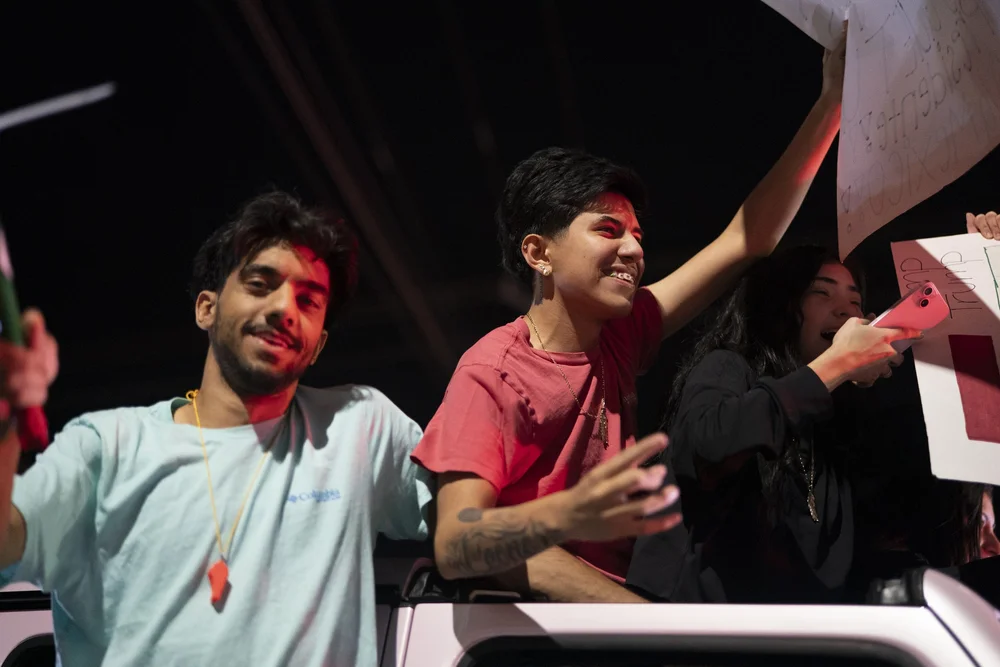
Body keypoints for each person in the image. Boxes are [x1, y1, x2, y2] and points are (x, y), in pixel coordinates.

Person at [413, 33, 851, 603]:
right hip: (539, 628)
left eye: (638, 236)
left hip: (622, 615)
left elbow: (747, 239)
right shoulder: (494, 373)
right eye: (608, 230)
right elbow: (456, 542)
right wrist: (578, 528)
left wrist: (832, 104)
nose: (634, 250)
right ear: (539, 252)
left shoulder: (618, 333)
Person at [0, 192, 431, 667]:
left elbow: (468, 511)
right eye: (260, 284)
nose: (285, 308)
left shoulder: (360, 427)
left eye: (309, 300)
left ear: (318, 345)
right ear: (206, 308)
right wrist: (5, 417)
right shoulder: (108, 447)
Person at [626, 245, 921, 603]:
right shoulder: (728, 367)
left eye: (855, 301)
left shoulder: (838, 424)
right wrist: (838, 364)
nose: (845, 310)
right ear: (783, 305)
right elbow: (708, 445)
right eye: (822, 292)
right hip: (691, 627)